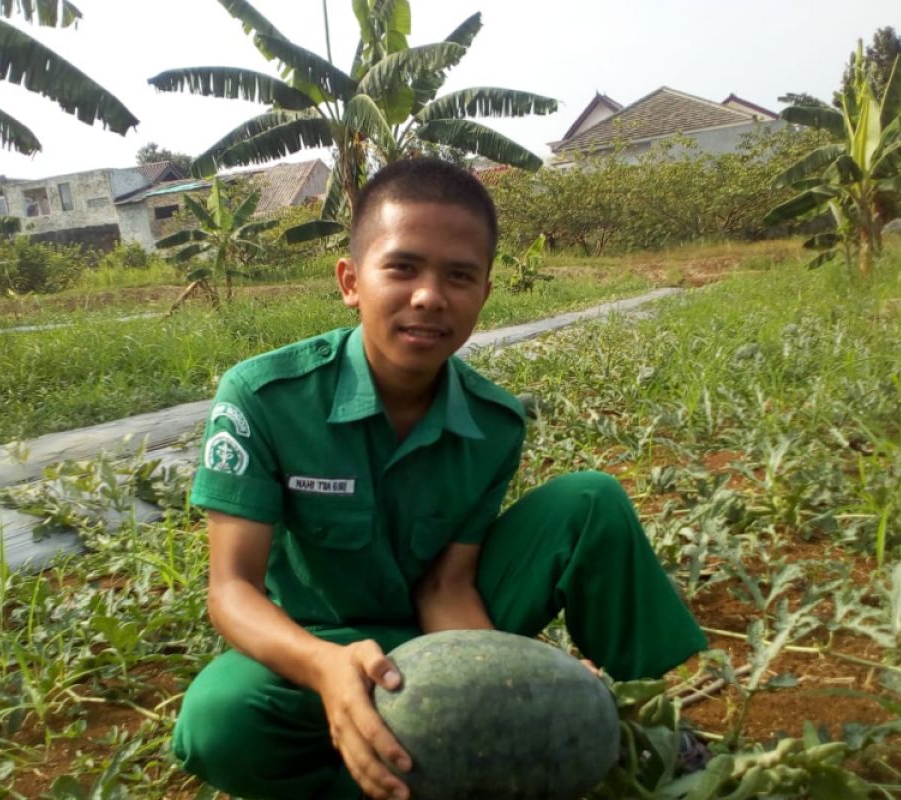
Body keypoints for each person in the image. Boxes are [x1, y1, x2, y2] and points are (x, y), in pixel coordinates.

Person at [171, 158, 707, 800]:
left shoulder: (495, 422)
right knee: (219, 720)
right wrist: (324, 666)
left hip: (438, 625)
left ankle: (637, 723)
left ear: (483, 293)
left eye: (460, 276)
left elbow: (446, 586)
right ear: (351, 281)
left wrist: (522, 677)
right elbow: (231, 589)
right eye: (402, 267)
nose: (430, 296)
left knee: (591, 499)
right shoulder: (263, 397)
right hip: (323, 643)